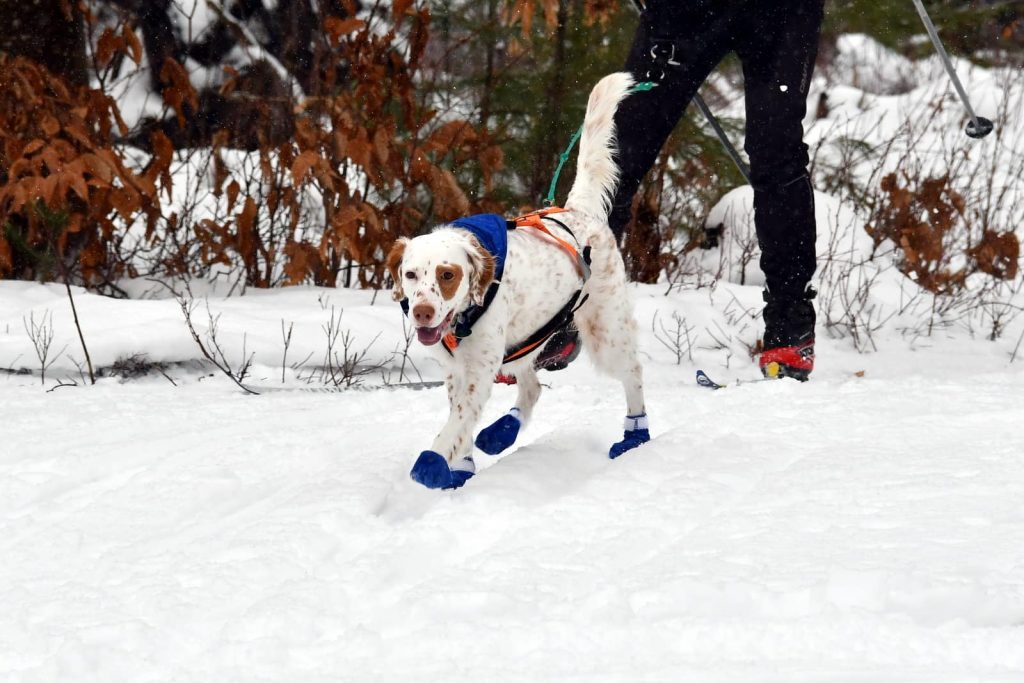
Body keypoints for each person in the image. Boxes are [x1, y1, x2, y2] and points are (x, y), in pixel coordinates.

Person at [538, 0, 823, 381]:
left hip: (783, 11)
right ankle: (565, 312)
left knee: (777, 150)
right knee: (618, 150)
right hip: (686, 11)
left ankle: (791, 323)